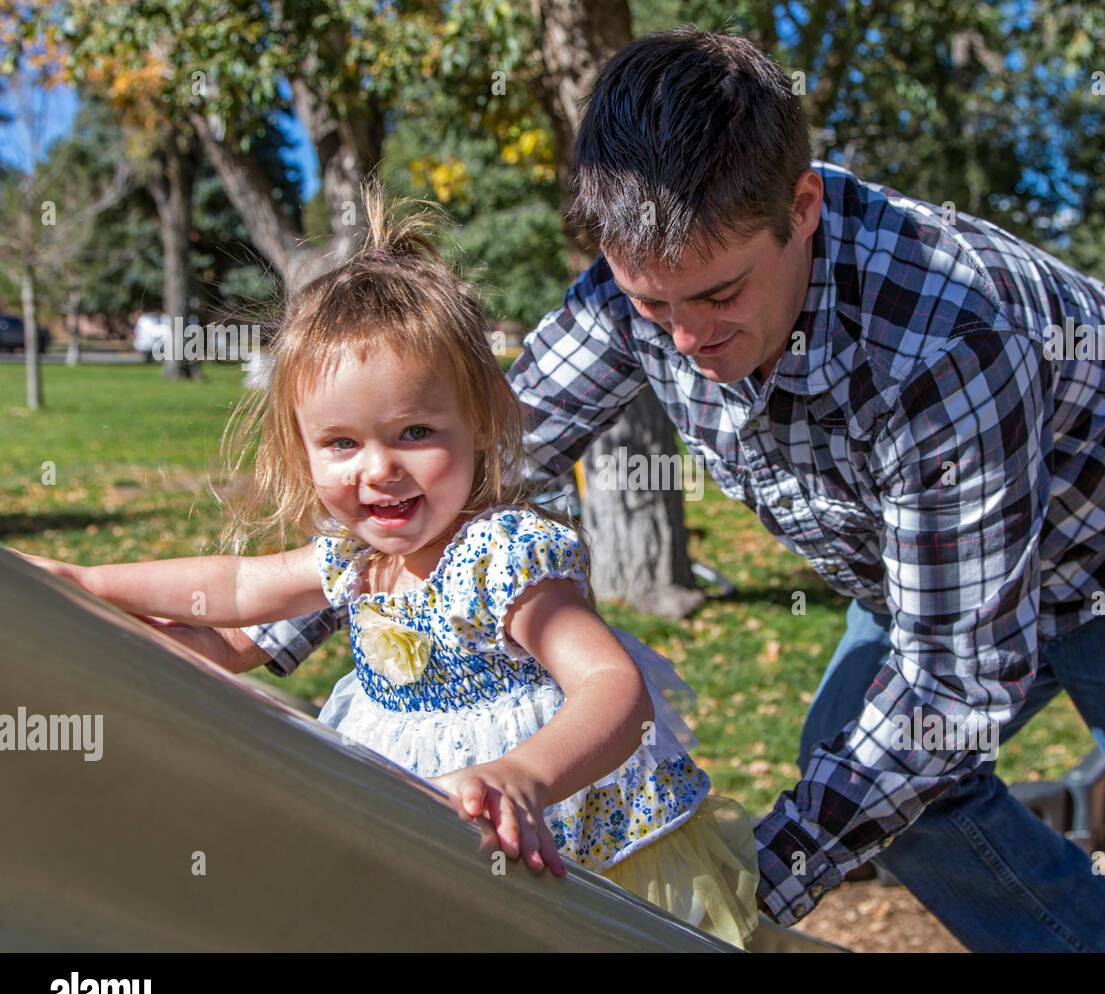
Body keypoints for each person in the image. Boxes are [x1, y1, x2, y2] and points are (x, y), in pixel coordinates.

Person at [206, 30, 1105, 952]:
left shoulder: (941, 338)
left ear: (804, 205)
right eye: (652, 304)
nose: (684, 336)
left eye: (719, 294)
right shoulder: (636, 293)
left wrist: (732, 902)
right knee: (884, 786)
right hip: (936, 557)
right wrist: (276, 628)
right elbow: (472, 461)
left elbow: (955, 689)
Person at [16, 189, 761, 950]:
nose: (379, 471)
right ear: (301, 448)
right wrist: (82, 588)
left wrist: (527, 776)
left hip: (559, 838)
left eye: (414, 431)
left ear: (482, 422)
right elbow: (235, 593)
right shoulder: (352, 558)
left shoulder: (501, 556)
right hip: (423, 833)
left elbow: (613, 689)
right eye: (341, 443)